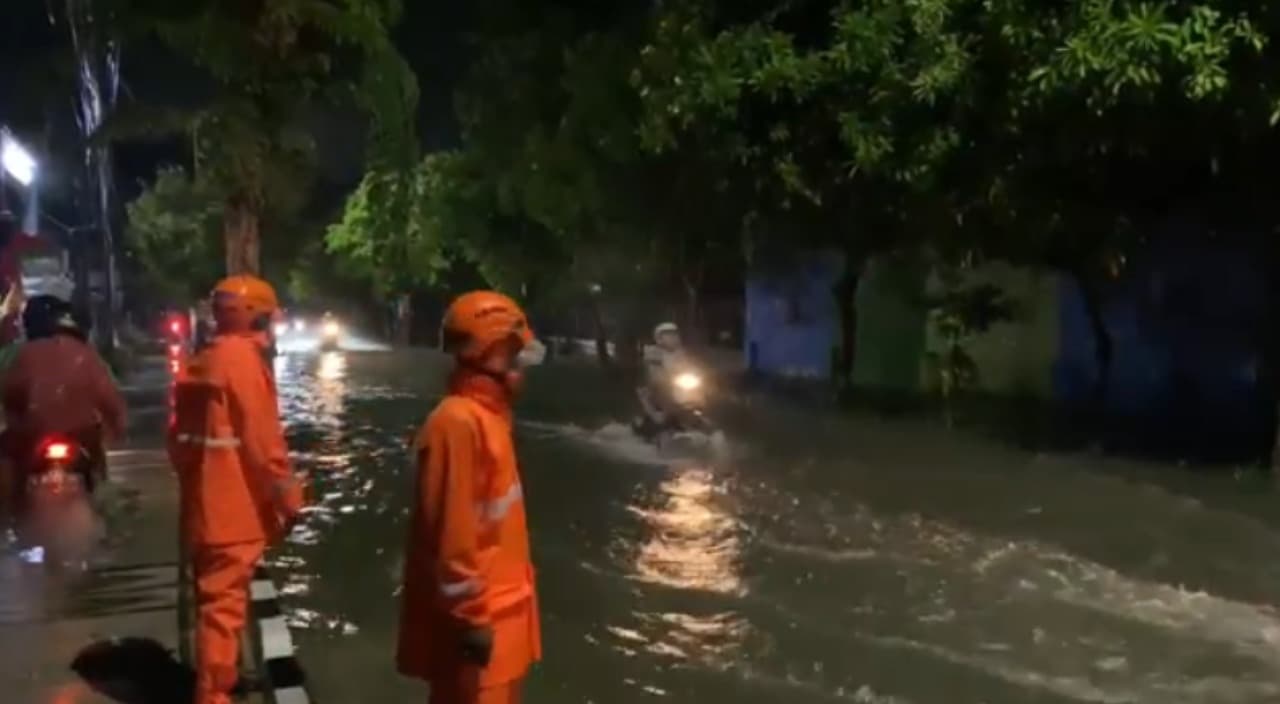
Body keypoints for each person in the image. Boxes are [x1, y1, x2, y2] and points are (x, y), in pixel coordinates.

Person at [398, 290, 545, 704]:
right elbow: (454, 539)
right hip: (481, 633)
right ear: (494, 351)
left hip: (502, 623)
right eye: (515, 356)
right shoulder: (457, 424)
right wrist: (472, 621)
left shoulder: (488, 419)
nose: (521, 370)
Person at [168, 275, 304, 704]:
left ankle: (214, 684)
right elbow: (264, 443)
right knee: (223, 611)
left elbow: (176, 442)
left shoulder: (200, 361)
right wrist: (289, 498)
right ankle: (213, 694)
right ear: (257, 316)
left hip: (202, 506)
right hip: (234, 511)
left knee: (213, 602)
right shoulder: (243, 362)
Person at [0, 294, 125, 509]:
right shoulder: (85, 353)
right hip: (81, 433)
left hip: (32, 435)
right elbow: (110, 398)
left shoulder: (19, 354)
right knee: (100, 477)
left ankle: (13, 512)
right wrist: (116, 429)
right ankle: (102, 508)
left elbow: (9, 394)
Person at [636, 321, 687, 426]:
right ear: (659, 338)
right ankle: (658, 415)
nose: (672, 337)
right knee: (660, 390)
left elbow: (688, 366)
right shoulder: (653, 351)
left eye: (674, 334)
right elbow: (652, 364)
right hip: (658, 383)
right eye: (668, 335)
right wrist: (659, 365)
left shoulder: (681, 352)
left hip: (677, 382)